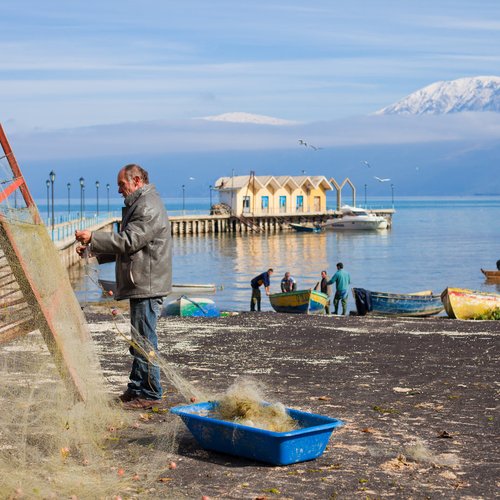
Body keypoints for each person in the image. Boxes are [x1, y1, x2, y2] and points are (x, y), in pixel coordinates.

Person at [75, 164, 172, 409]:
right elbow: (127, 245)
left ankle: (149, 393)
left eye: (122, 184)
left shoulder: (147, 205)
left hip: (147, 284)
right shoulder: (139, 204)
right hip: (141, 281)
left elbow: (130, 240)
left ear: (137, 180)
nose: (119, 189)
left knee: (144, 340)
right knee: (138, 339)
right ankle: (137, 387)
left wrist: (94, 237)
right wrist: (92, 250)